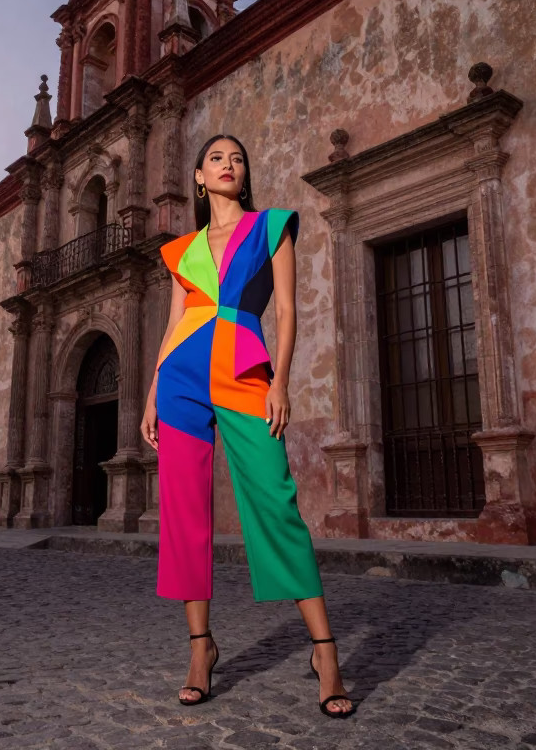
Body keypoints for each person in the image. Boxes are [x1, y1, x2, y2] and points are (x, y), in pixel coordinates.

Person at [141, 135, 354, 718]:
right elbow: (173, 324)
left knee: (275, 501)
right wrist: (152, 392)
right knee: (183, 511)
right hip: (181, 379)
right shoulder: (181, 251)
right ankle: (199, 649)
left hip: (244, 370)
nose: (229, 165)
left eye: (237, 159)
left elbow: (286, 311)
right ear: (198, 177)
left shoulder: (271, 227)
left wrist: (280, 382)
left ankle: (325, 650)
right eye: (217, 159)